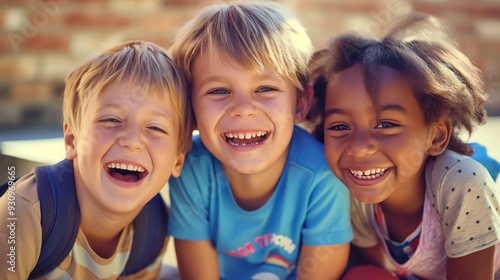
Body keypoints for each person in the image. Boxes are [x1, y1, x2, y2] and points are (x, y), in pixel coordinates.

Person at [167, 1, 353, 279]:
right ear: (190, 109)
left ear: (301, 103)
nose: (243, 108)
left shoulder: (321, 175)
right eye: (218, 91)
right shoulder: (190, 167)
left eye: (265, 88)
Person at [307, 12, 500, 279]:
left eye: (386, 124)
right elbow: (375, 268)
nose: (359, 147)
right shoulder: (346, 188)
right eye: (340, 127)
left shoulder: (462, 182)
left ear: (436, 136)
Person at [0, 40, 192, 279]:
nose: (132, 140)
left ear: (177, 160)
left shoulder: (152, 229)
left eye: (155, 127)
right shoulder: (25, 213)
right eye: (111, 120)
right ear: (72, 141)